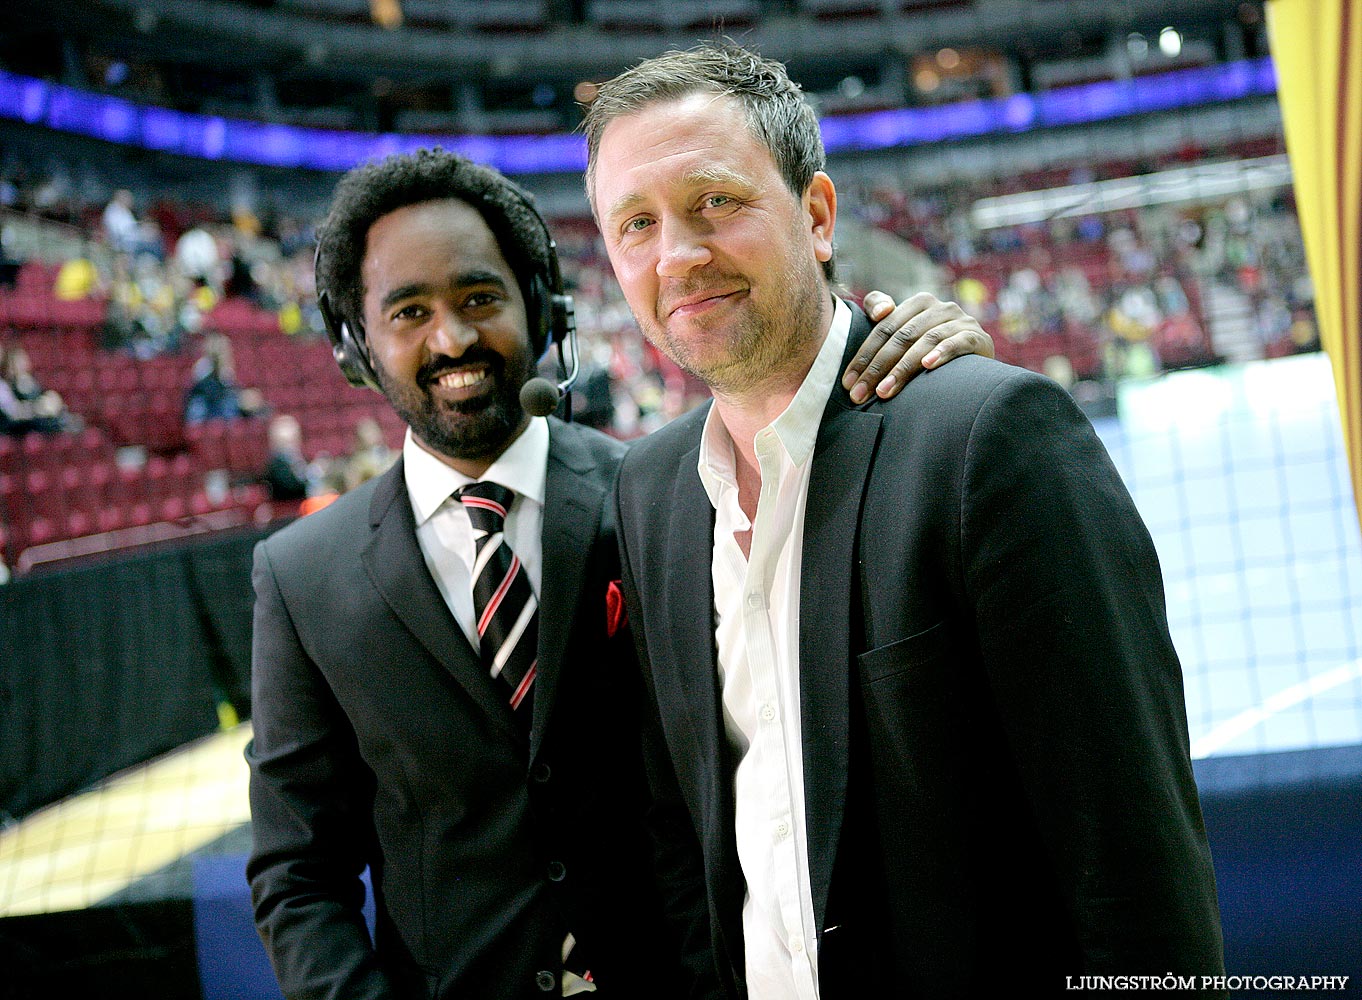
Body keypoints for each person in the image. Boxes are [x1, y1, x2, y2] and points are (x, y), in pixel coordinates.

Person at [244, 147, 994, 1000]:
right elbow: (299, 873)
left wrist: (914, 356)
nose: (452, 337)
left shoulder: (672, 493)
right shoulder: (300, 577)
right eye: (409, 311)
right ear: (356, 346)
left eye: (479, 298)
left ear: (543, 308)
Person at [585, 43, 1225, 998]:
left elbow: (1133, 869)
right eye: (637, 224)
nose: (677, 254)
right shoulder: (650, 492)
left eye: (715, 202)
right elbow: (690, 841)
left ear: (816, 214)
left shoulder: (989, 439)